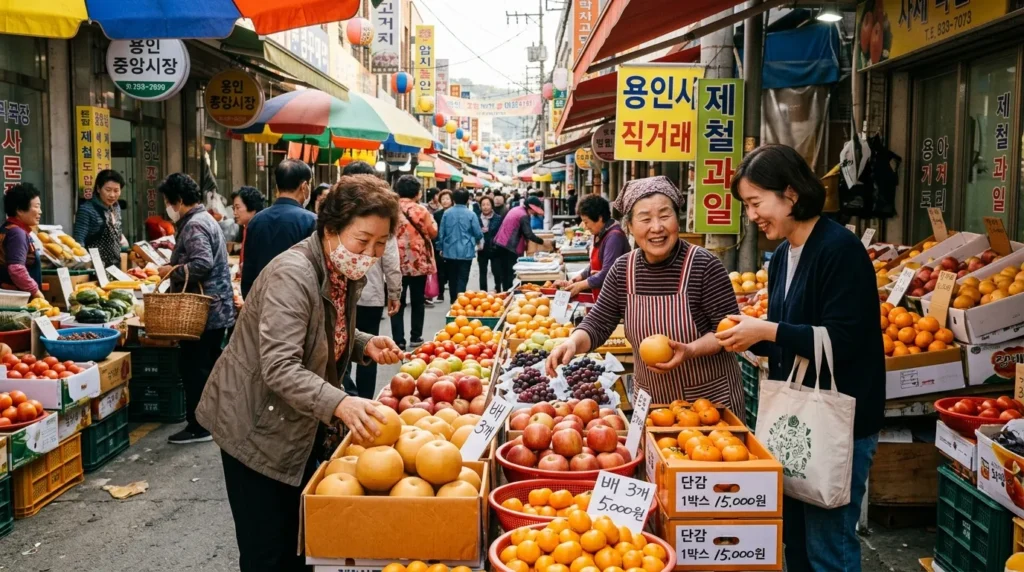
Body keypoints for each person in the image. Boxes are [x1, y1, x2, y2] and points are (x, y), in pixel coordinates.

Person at [196, 174, 403, 572]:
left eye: (380, 244)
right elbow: (279, 365)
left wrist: (362, 343)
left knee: (299, 542)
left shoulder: (341, 270)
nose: (371, 254)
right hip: (255, 427)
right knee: (268, 551)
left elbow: (321, 329)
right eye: (363, 241)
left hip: (295, 420)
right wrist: (340, 402)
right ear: (330, 230)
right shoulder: (293, 275)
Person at [714, 144, 883, 572]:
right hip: (797, 424)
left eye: (756, 203)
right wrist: (744, 337)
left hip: (836, 420)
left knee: (829, 547)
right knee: (797, 545)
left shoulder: (838, 250)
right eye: (747, 206)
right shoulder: (784, 255)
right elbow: (791, 338)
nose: (752, 216)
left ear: (790, 194)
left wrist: (767, 330)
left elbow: (844, 339)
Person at [546, 176, 743, 411]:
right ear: (629, 226)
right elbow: (598, 322)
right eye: (645, 219)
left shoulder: (704, 265)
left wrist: (689, 350)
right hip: (652, 403)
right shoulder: (622, 270)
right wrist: (572, 342)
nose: (656, 227)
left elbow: (729, 331)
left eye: (665, 215)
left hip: (708, 405)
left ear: (677, 220)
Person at [157, 173, 236, 445]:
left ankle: (199, 426)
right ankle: (212, 420)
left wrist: (173, 270)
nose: (168, 208)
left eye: (168, 202)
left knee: (195, 368)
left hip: (204, 311)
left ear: (178, 201)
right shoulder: (204, 220)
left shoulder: (194, 225)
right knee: (208, 367)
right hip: (216, 309)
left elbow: (201, 263)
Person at [339, 161, 401, 397]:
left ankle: (355, 397)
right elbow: (392, 261)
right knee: (350, 351)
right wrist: (394, 293)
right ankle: (358, 397)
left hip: (364, 294)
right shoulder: (378, 214)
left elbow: (391, 257)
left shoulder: (380, 215)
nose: (368, 253)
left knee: (362, 348)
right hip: (370, 296)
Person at [240, 159, 317, 298]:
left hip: (260, 299)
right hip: (296, 300)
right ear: (304, 186)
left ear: (277, 186)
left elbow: (248, 269)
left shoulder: (256, 221)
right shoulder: (311, 221)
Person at [391, 175, 438, 349]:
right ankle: (415, 336)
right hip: (418, 262)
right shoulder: (421, 211)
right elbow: (433, 232)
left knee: (397, 301)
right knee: (418, 301)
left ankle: (398, 340)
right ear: (417, 193)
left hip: (395, 261)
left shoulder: (390, 209)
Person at [554, 195, 629, 299]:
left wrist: (580, 286)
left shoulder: (614, 237)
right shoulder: (600, 233)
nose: (585, 226)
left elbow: (608, 273)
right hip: (602, 297)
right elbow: (596, 263)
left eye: (586, 222)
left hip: (614, 300)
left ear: (599, 218)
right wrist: (577, 279)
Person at [73, 169, 128, 269]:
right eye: (108, 190)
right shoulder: (86, 210)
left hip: (116, 267)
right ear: (98, 189)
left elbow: (117, 233)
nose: (112, 195)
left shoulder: (116, 207)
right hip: (95, 269)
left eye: (116, 190)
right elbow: (78, 244)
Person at [493, 196, 548, 292]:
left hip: (500, 244)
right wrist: (543, 242)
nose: (535, 212)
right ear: (531, 208)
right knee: (510, 273)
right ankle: (509, 293)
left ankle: (505, 292)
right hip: (509, 247)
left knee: (504, 272)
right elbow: (529, 234)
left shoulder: (517, 209)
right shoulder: (523, 215)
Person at [438, 189, 483, 302]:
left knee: (452, 277)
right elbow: (478, 233)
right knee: (463, 277)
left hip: (449, 251)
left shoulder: (447, 213)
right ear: (468, 199)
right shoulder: (471, 214)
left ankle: (453, 300)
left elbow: (441, 232)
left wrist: (440, 247)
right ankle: (460, 300)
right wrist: (477, 241)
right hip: (466, 251)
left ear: (453, 199)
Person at [0, 183, 42, 298]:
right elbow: (16, 269)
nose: (40, 212)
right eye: (37, 206)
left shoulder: (7, 228)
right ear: (19, 210)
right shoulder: (17, 233)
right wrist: (37, 293)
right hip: (18, 300)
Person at [231, 186, 265, 277]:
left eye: (237, 208)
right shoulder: (247, 228)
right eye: (233, 208)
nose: (234, 213)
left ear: (252, 207)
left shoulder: (261, 229)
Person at [477, 196, 504, 292]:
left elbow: (500, 233)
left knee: (496, 270)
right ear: (480, 206)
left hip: (495, 248)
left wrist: (488, 230)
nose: (485, 207)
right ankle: (483, 291)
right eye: (483, 205)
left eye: (488, 204)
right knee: (482, 271)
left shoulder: (498, 218)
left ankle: (498, 288)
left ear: (492, 206)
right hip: (482, 248)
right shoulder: (477, 218)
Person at [432, 190, 453, 302]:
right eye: (443, 199)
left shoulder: (454, 213)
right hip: (439, 245)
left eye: (447, 199)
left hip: (451, 245)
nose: (445, 201)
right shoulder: (437, 214)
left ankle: (452, 291)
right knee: (440, 270)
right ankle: (440, 293)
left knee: (451, 270)